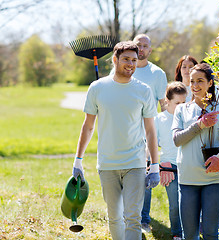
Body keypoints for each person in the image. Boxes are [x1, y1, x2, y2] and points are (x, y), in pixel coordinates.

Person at [72, 41, 160, 240]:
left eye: (134, 60)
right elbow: (87, 126)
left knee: (133, 217)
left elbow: (151, 131)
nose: (130, 64)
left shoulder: (144, 90)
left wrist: (154, 165)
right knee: (114, 217)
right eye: (126, 59)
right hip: (107, 163)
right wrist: (78, 160)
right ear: (115, 60)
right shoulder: (97, 88)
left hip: (135, 163)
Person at [172, 63, 219, 239]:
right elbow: (177, 140)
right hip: (187, 179)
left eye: (200, 81)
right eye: (192, 81)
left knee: (210, 233)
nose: (195, 85)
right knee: (190, 235)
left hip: (214, 179)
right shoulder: (181, 110)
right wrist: (199, 125)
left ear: (210, 83)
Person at [132, 34, 168, 233]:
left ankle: (144, 219)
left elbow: (163, 105)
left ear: (150, 50)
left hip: (147, 132)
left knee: (146, 174)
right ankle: (124, 214)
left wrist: (162, 133)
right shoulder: (124, 68)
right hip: (125, 131)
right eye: (138, 45)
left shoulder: (157, 74)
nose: (141, 49)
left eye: (145, 46)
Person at [155, 82, 187, 240]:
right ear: (167, 101)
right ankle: (177, 234)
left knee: (188, 205)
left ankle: (191, 232)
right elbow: (151, 144)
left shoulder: (188, 118)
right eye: (177, 103)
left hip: (187, 165)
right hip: (169, 167)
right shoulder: (159, 119)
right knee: (175, 205)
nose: (181, 107)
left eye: (183, 103)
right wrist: (159, 165)